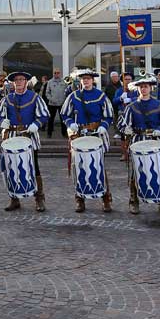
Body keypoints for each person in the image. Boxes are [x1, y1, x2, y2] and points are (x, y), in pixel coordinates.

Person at [60, 68, 114, 213]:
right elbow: (65, 114)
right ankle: (79, 199)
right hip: (79, 135)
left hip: (96, 134)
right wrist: (70, 123)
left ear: (93, 80)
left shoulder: (101, 95)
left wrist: (104, 125)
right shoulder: (73, 96)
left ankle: (106, 199)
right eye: (83, 78)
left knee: (99, 166)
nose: (85, 81)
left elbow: (109, 115)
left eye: (88, 78)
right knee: (79, 167)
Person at [0, 70, 49, 212]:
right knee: (11, 167)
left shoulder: (35, 97)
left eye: (21, 79)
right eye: (16, 80)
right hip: (12, 135)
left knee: (34, 167)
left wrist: (36, 124)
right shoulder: (7, 99)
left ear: (26, 82)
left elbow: (44, 115)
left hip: (29, 135)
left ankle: (39, 198)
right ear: (13, 83)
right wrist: (2, 122)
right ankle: (14, 199)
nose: (19, 82)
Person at [118, 76, 160, 215]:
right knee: (136, 173)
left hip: (155, 140)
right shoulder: (131, 106)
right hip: (137, 140)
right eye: (141, 87)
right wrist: (126, 129)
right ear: (137, 89)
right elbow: (121, 124)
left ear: (151, 88)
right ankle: (134, 200)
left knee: (158, 171)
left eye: (146, 86)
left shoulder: (159, 105)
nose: (144, 89)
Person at [43, 69, 69, 137]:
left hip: (62, 103)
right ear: (53, 74)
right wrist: (51, 99)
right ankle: (49, 133)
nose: (56, 74)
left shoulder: (64, 82)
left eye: (58, 73)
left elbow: (67, 91)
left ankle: (64, 133)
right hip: (52, 103)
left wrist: (65, 100)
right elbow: (47, 92)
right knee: (51, 119)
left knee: (63, 119)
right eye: (55, 73)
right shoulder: (50, 82)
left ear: (60, 74)